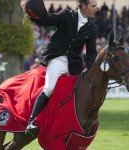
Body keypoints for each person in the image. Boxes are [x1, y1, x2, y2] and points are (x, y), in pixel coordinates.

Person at [21, 0, 98, 134]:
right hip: (57, 59)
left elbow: (91, 52)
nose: (96, 9)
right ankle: (31, 122)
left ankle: (70, 124)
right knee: (49, 88)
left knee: (78, 94)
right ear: (83, 6)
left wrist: (90, 69)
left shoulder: (93, 28)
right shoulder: (66, 15)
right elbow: (48, 20)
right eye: (93, 6)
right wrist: (33, 15)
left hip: (74, 65)